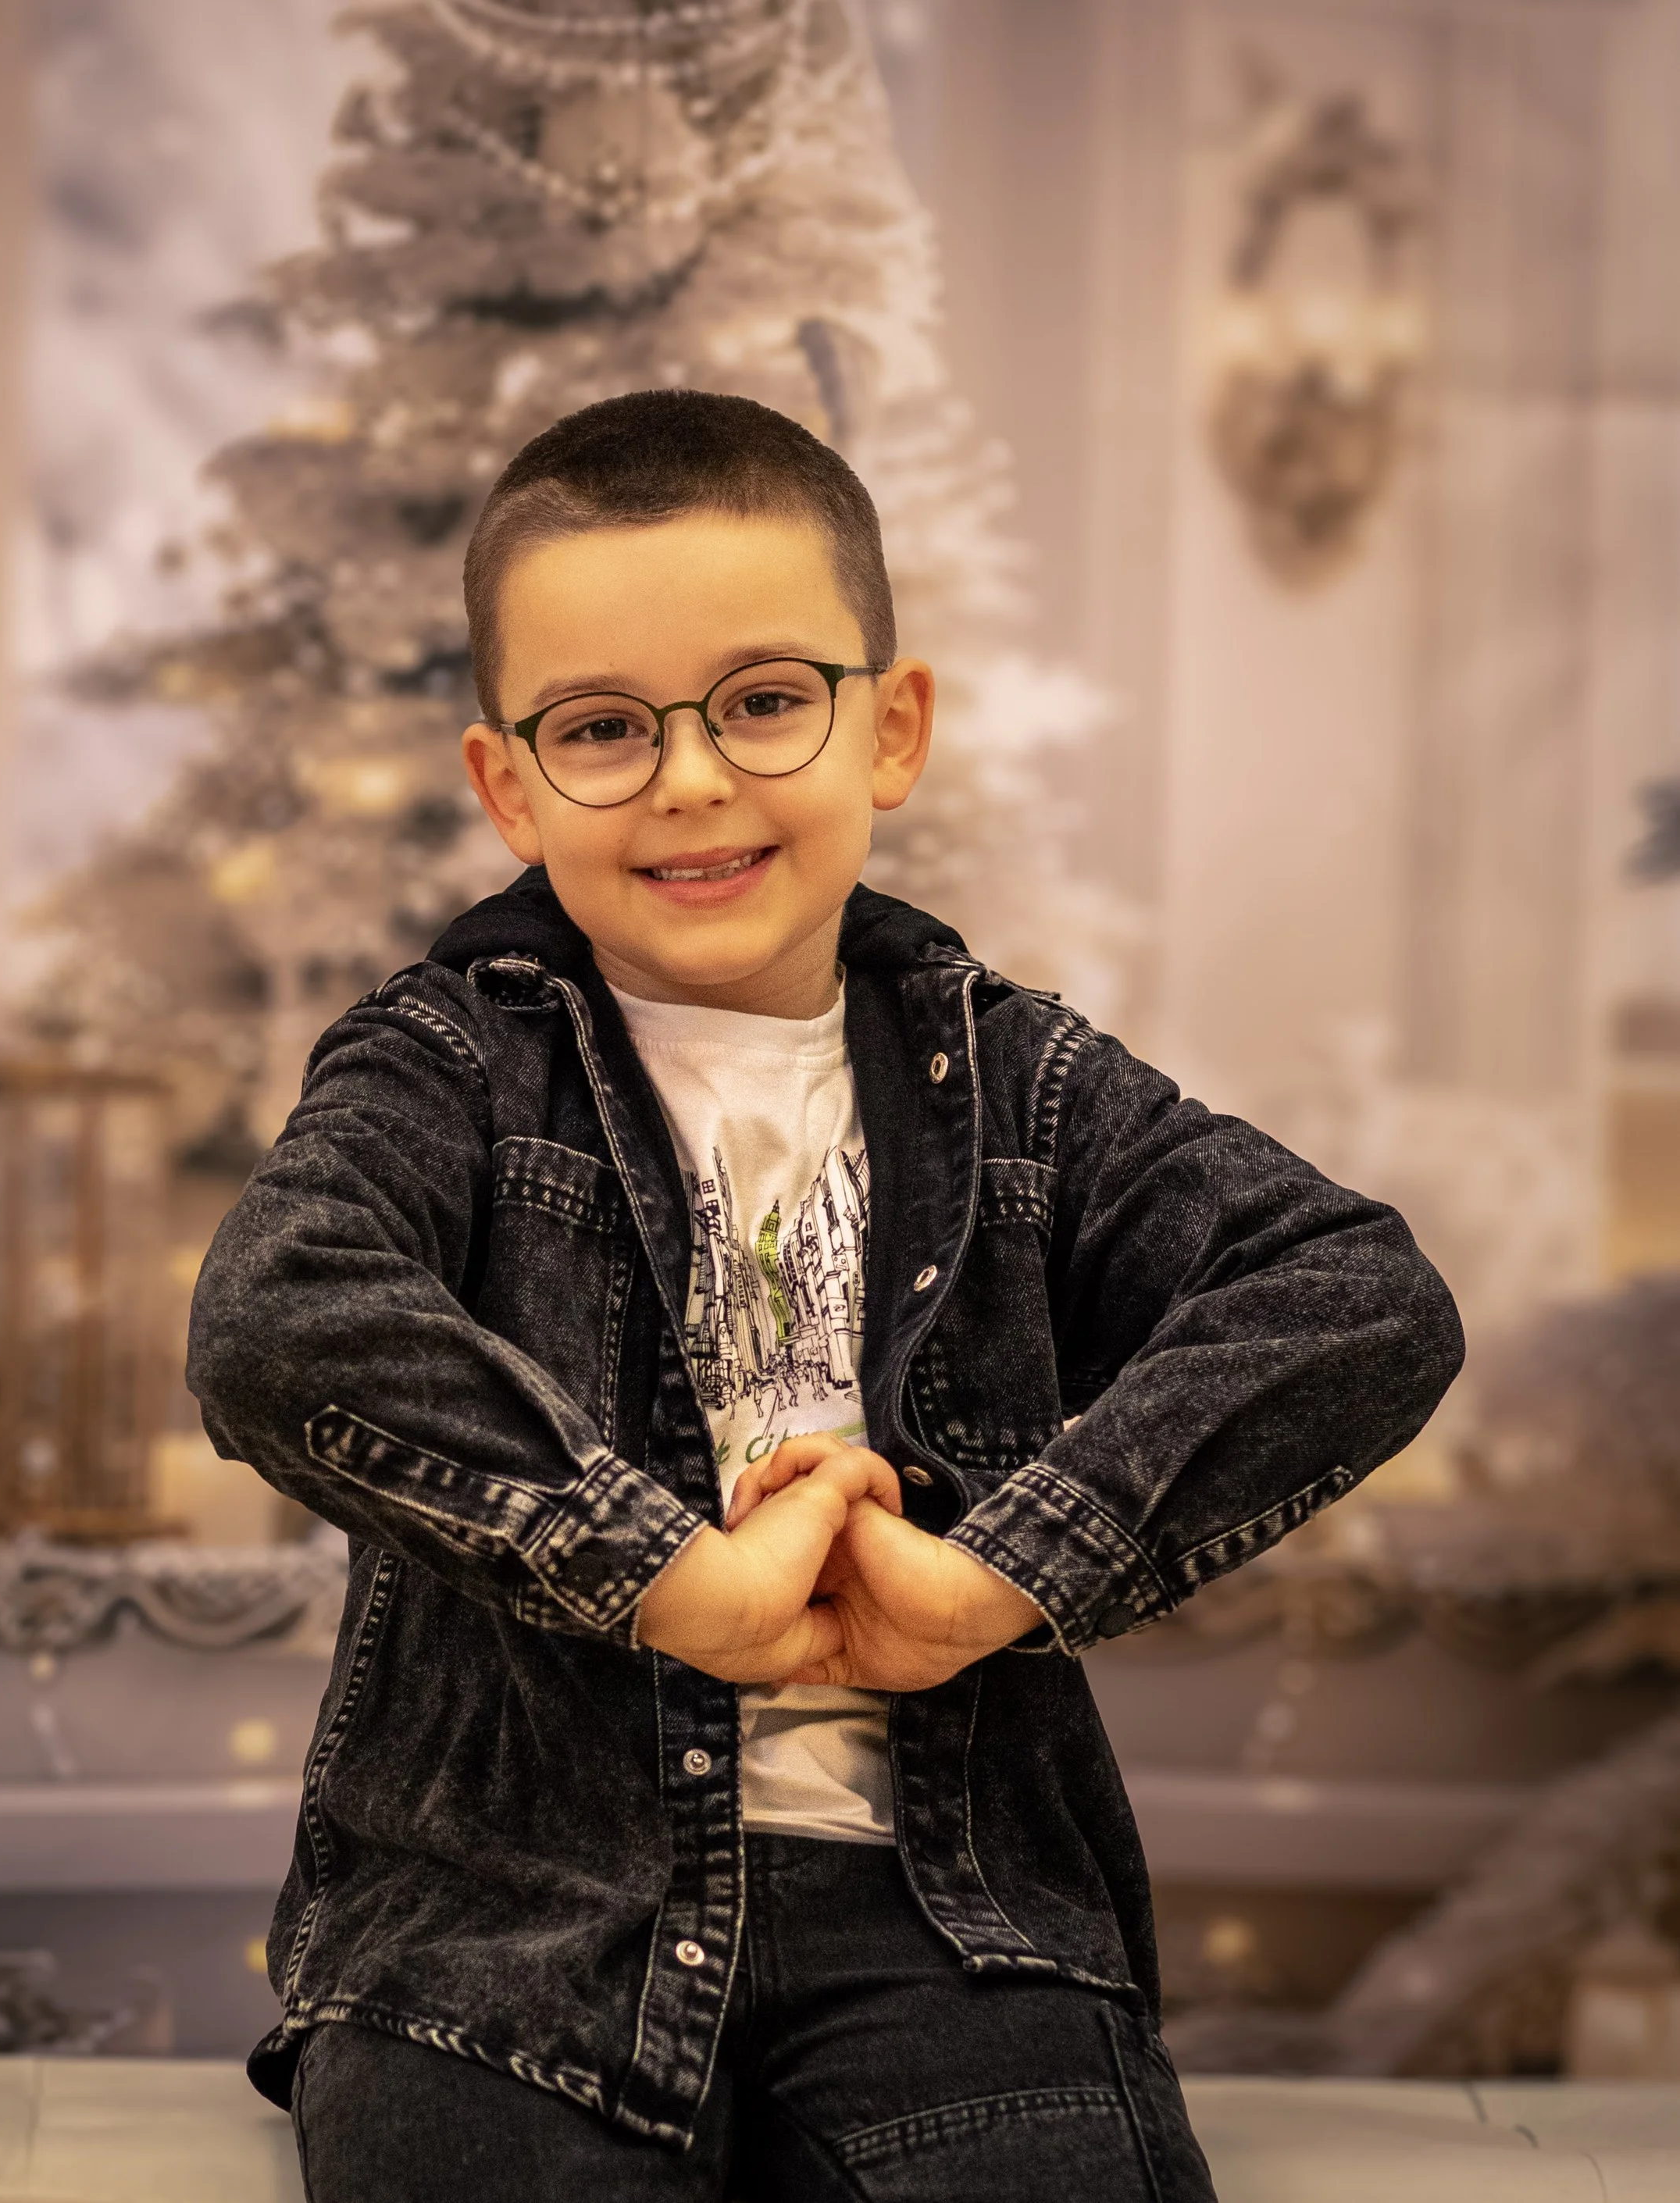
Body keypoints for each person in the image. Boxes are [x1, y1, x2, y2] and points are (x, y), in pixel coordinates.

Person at [189, 390, 1464, 2201]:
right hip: (505, 1927)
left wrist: (1000, 1573)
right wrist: (659, 1573)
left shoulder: (1012, 1082)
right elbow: (273, 1318)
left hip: (954, 1921)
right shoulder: (447, 1066)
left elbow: (1355, 1294)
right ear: (508, 784)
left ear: (891, 727)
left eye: (765, 700)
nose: (693, 779)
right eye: (604, 729)